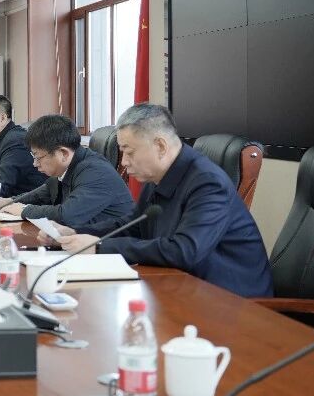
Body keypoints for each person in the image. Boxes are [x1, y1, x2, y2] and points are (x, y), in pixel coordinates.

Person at [45, 103, 272, 298]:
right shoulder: (159, 177)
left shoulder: (208, 184)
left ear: (160, 146)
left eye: (129, 152)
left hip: (234, 302)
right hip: (187, 288)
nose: (124, 162)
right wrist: (75, 232)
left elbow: (185, 251)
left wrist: (99, 247)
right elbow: (133, 225)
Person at [0, 114, 134, 227]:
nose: (35, 164)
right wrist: (9, 201)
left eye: (38, 157)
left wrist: (24, 210)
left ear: (63, 153)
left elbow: (66, 216)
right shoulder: (70, 166)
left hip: (113, 247)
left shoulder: (96, 172)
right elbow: (43, 193)